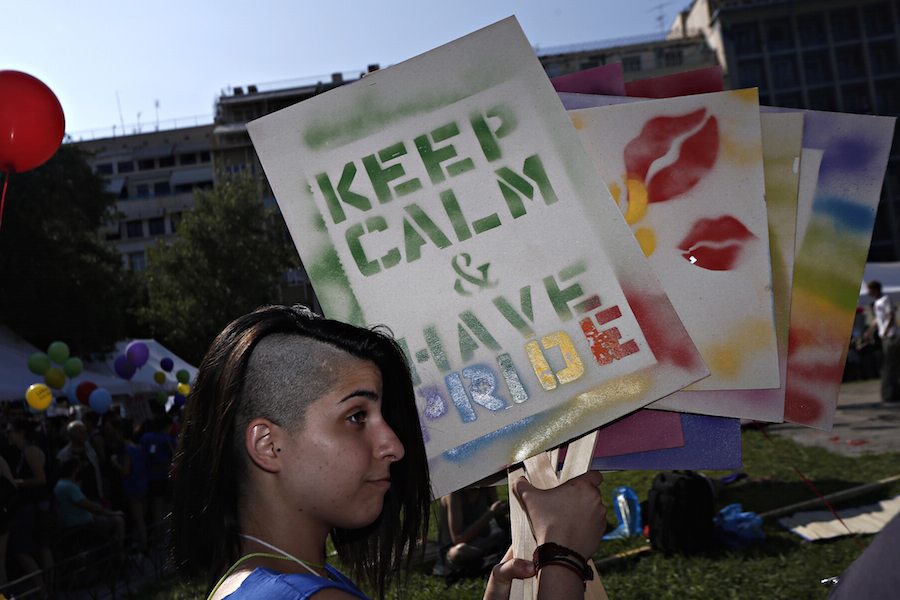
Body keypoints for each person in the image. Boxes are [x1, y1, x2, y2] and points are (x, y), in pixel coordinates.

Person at [171, 305, 607, 600]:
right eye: (357, 416)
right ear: (269, 445)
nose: (393, 445)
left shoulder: (261, 577)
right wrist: (562, 558)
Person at [434, 487, 510, 577]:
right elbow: (458, 539)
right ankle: (491, 556)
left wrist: (504, 510)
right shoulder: (454, 494)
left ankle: (491, 556)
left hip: (484, 541)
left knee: (505, 538)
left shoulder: (487, 487)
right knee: (459, 552)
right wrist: (490, 513)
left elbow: (501, 522)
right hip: (457, 548)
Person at [867, 280, 900, 402]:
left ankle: (891, 394)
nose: (869, 292)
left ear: (875, 289)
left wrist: (886, 331)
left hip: (892, 336)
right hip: (885, 337)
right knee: (890, 365)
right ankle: (892, 392)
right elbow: (877, 319)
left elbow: (891, 315)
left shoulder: (886, 299)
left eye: (870, 290)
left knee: (890, 365)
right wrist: (869, 331)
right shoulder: (876, 303)